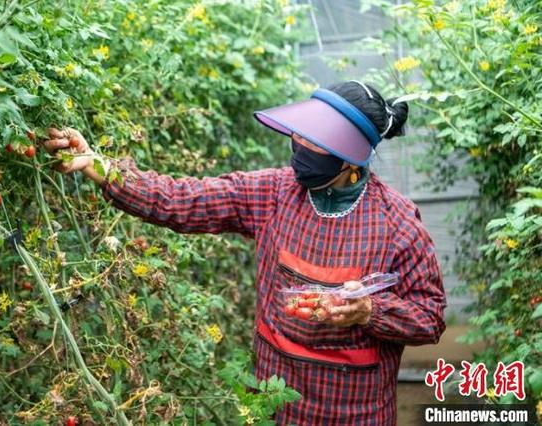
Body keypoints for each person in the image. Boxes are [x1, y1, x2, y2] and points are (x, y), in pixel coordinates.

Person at [43, 80, 446, 425]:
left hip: (355, 411)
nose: (299, 146)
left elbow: (428, 319)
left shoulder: (398, 225)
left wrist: (369, 311)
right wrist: (99, 165)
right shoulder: (273, 194)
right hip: (273, 403)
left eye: (315, 141)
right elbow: (182, 200)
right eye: (299, 134)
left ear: (351, 160)